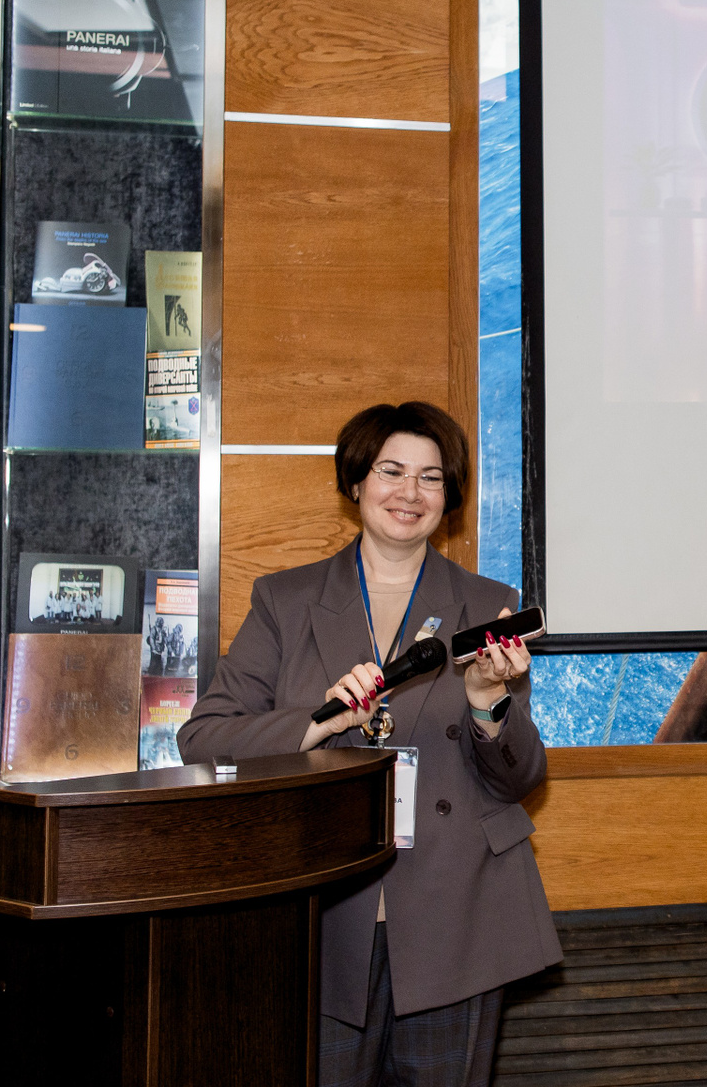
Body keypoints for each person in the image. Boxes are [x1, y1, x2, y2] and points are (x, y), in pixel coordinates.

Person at [178, 401, 561, 1086]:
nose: (410, 492)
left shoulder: (486, 604)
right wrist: (320, 722)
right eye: (391, 471)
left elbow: (521, 778)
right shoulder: (285, 601)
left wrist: (487, 702)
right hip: (323, 911)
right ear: (356, 481)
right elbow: (203, 739)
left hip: (459, 910)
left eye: (431, 477)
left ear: (450, 496)